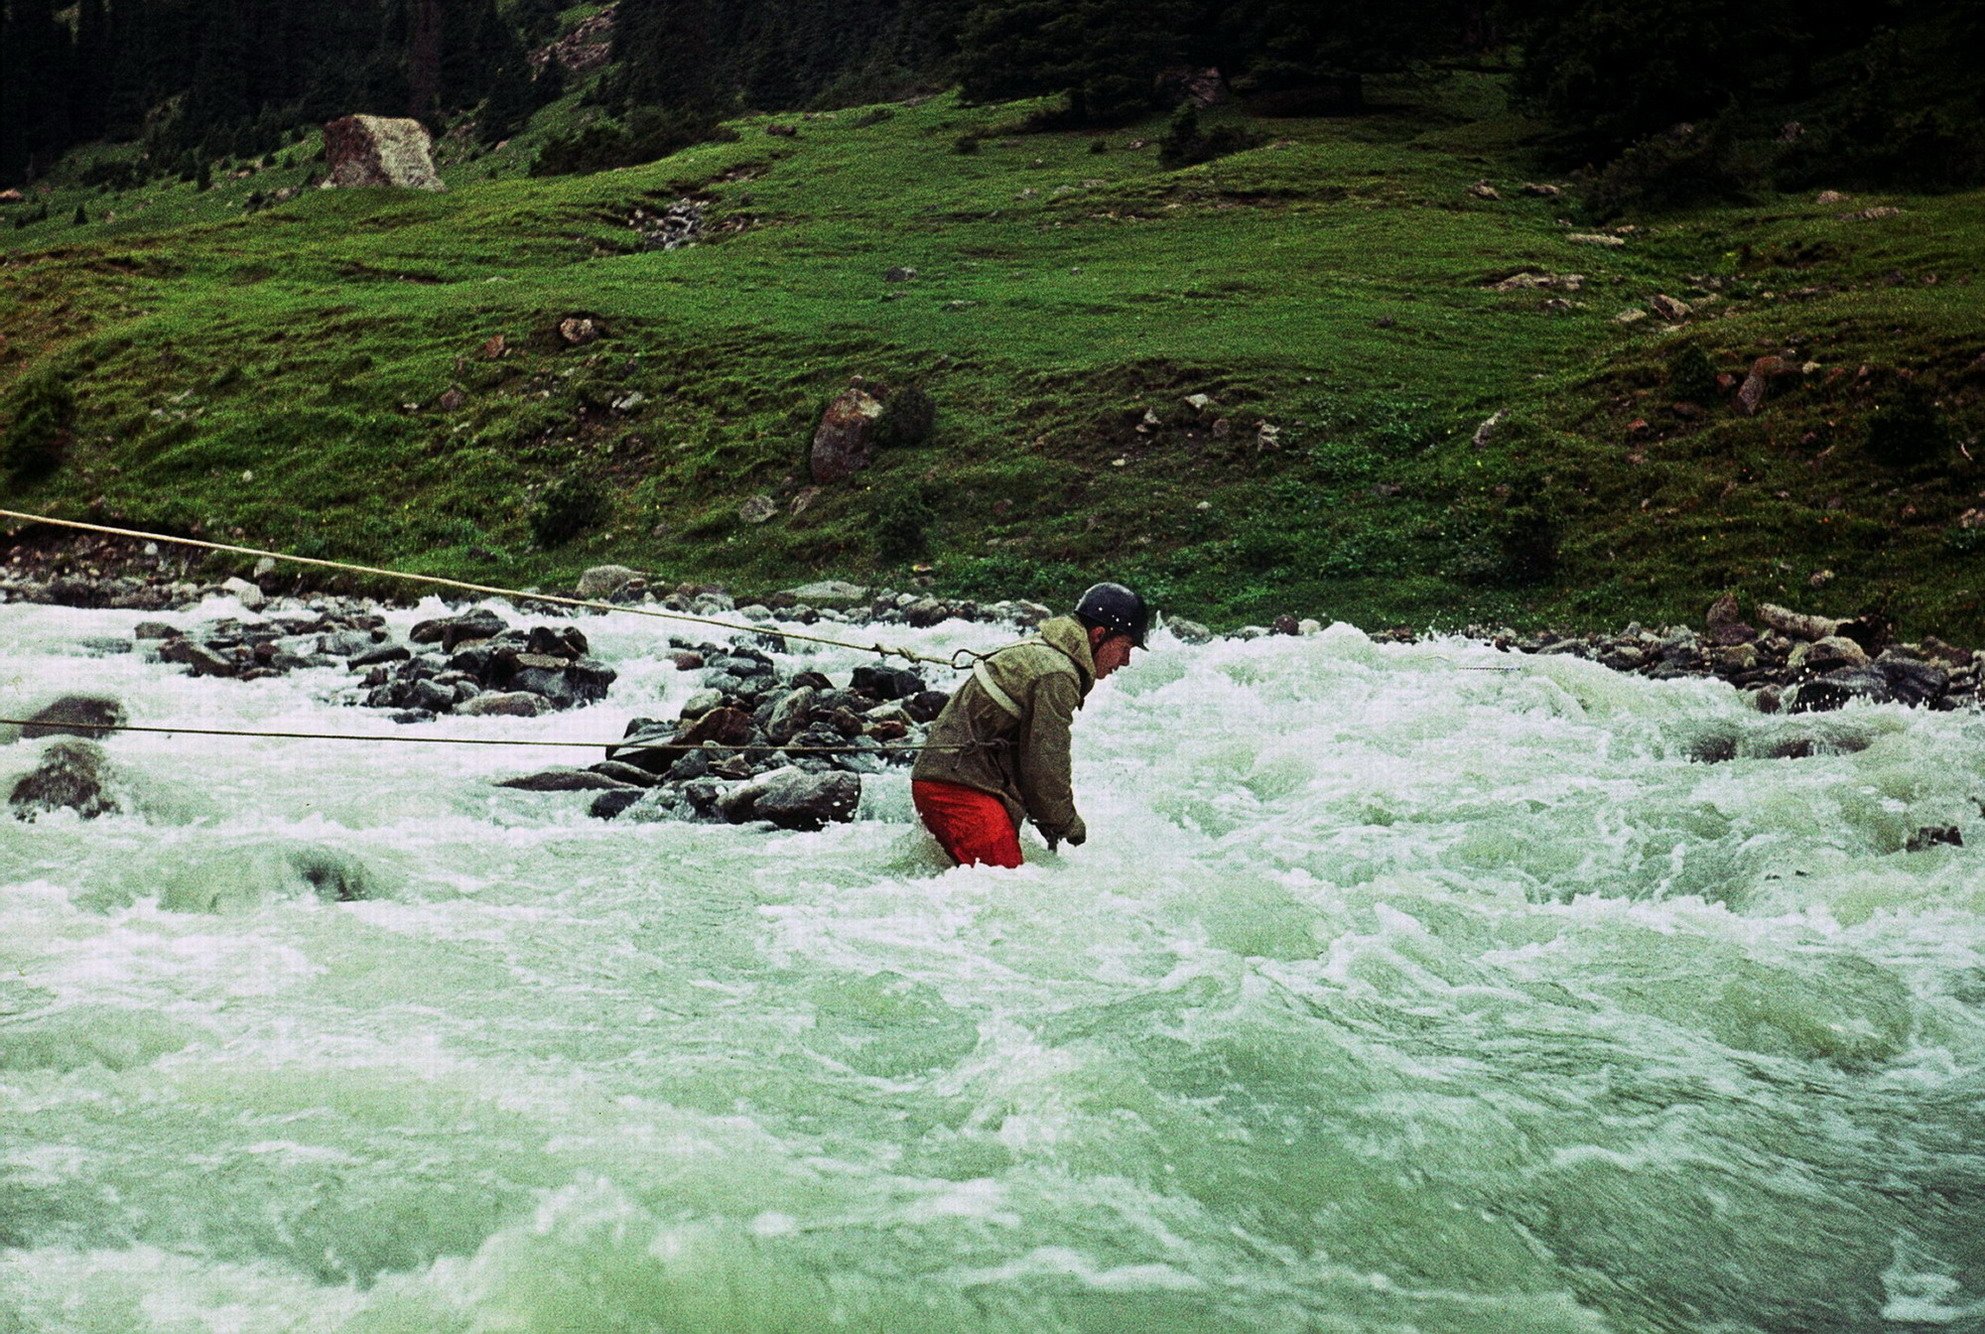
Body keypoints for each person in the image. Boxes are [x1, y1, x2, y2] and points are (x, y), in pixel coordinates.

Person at [911, 582, 1149, 867]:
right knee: (1006, 890)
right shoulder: (1058, 674)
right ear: (1099, 635)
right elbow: (1046, 759)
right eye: (1125, 648)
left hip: (951, 780)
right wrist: (1065, 822)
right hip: (957, 789)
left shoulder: (1048, 652)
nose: (1126, 661)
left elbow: (1028, 754)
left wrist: (1044, 815)